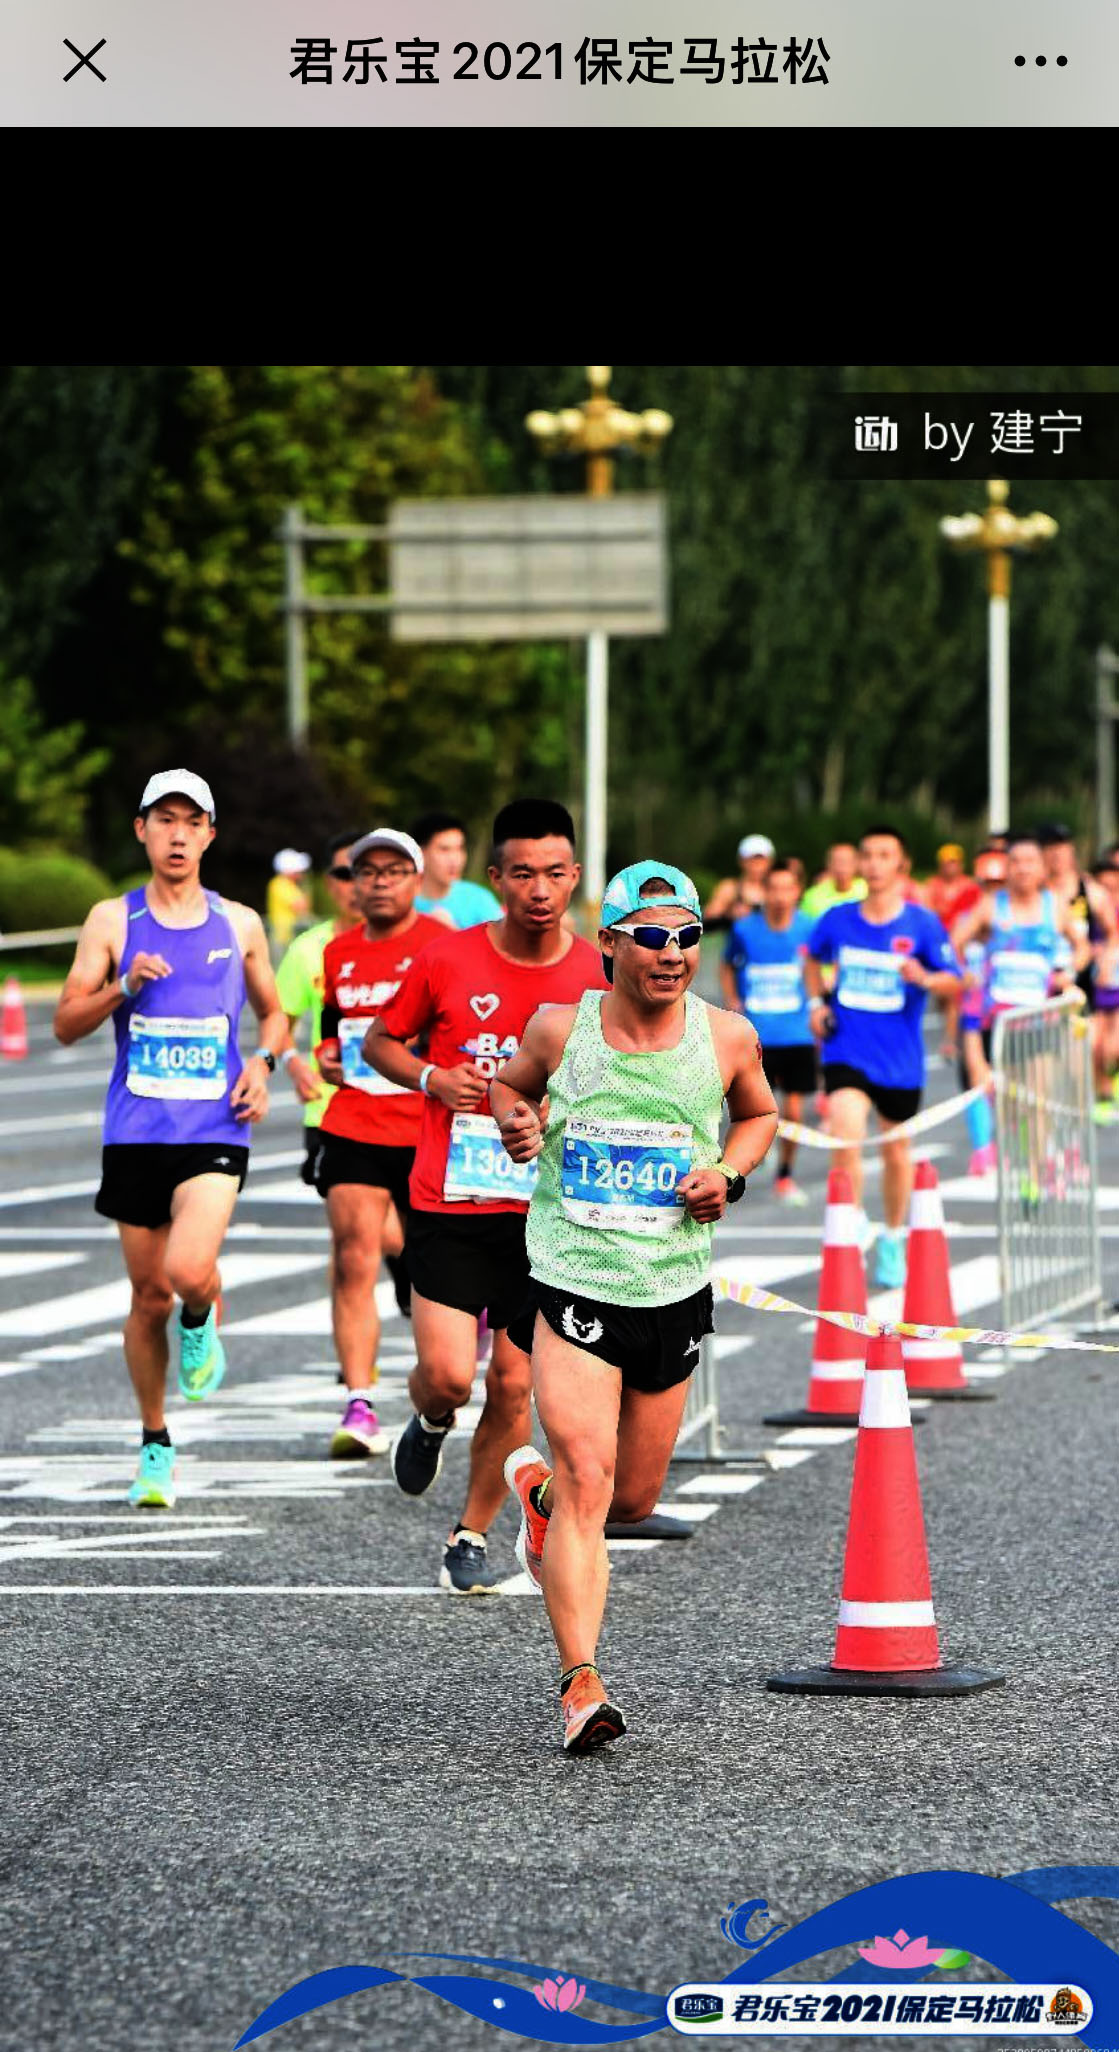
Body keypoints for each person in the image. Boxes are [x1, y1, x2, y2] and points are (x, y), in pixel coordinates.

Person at [490, 861, 778, 1753]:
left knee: (631, 1497)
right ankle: (580, 1684)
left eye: (688, 936)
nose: (672, 953)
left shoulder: (725, 1037)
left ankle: (535, 1500)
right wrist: (514, 1120)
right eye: (652, 936)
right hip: (573, 1277)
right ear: (608, 941)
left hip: (672, 1289)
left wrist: (726, 1173)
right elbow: (509, 1087)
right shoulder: (557, 1028)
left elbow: (759, 1116)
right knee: (589, 1475)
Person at [365, 799, 607, 1596]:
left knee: (511, 1385)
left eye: (555, 873)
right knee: (446, 1375)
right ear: (494, 878)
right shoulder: (446, 959)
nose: (540, 890)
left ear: (575, 876)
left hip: (546, 1218)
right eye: (523, 873)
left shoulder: (596, 978)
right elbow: (380, 1041)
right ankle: (431, 1419)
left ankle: (469, 1531)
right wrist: (434, 1078)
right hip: (449, 1201)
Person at [52, 770, 287, 1509]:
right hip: (135, 1130)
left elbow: (275, 1015)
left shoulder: (240, 923)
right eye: (165, 820)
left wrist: (264, 1061)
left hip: (215, 1126)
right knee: (146, 1295)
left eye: (193, 821)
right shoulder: (110, 921)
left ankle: (203, 1312)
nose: (178, 833)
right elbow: (63, 1023)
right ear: (141, 831)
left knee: (189, 1270)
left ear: (210, 834)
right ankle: (155, 1440)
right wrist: (122, 987)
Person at [313, 830, 446, 1457]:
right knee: (352, 1256)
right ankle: (359, 1403)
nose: (379, 881)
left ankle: (435, 1391)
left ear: (415, 880)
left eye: (394, 870)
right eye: (366, 871)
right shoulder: (338, 952)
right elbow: (331, 1026)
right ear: (352, 883)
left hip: (427, 1126)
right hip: (354, 1122)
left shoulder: (442, 945)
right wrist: (325, 1054)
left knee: (431, 1271)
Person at [806, 825, 961, 1289]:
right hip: (846, 1050)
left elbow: (956, 979)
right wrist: (816, 1004)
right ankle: (854, 1217)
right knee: (845, 1128)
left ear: (901, 865)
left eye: (883, 855)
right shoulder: (837, 919)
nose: (873, 863)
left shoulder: (922, 924)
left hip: (899, 1058)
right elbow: (812, 959)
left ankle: (893, 1237)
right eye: (867, 854)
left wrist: (926, 979)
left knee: (896, 1152)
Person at [953, 832, 1084, 1141]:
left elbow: (1082, 947)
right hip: (994, 1021)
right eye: (1015, 862)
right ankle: (1002, 1157)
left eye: (1030, 862)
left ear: (1042, 868)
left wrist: (1067, 972)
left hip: (1039, 1023)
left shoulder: (1056, 907)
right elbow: (955, 942)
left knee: (1036, 1102)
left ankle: (1032, 1181)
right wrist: (963, 973)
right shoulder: (989, 905)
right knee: (1006, 1103)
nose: (1023, 869)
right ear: (1006, 867)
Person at [719, 858, 816, 1202]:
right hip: (755, 1036)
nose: (779, 896)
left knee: (794, 1111)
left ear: (797, 892)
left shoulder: (809, 928)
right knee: (749, 1111)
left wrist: (819, 1001)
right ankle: (733, 1174)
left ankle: (786, 1173)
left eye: (786, 888)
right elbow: (727, 965)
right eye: (772, 888)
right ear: (764, 891)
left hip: (797, 1034)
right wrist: (734, 1000)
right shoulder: (745, 929)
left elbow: (818, 968)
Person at [275, 830, 362, 1191]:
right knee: (356, 1238)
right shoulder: (307, 949)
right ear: (329, 883)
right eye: (345, 874)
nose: (357, 885)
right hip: (329, 1110)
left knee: (395, 1240)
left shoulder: (424, 946)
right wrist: (293, 1064)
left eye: (368, 871)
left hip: (406, 1113)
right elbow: (276, 1021)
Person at [924, 845, 983, 1058]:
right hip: (937, 945)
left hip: (961, 946)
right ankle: (954, 1031)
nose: (951, 867)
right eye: (947, 862)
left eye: (954, 862)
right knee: (942, 997)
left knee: (954, 995)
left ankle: (951, 1039)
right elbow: (927, 913)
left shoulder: (969, 887)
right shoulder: (932, 886)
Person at [409, 810, 501, 930]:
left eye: (460, 849)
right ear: (420, 853)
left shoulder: (479, 899)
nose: (455, 860)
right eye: (444, 849)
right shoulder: (401, 900)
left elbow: (506, 945)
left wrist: (452, 932)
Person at [703, 835, 774, 930]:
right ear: (741, 861)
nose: (757, 865)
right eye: (752, 860)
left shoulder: (776, 889)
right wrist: (730, 916)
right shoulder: (729, 888)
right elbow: (708, 920)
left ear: (770, 862)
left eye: (761, 860)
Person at [800, 842, 867, 922]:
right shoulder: (812, 896)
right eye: (836, 861)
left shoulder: (869, 890)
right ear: (828, 864)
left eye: (846, 861)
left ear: (857, 863)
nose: (841, 866)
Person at [266, 848, 313, 954]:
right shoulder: (279, 884)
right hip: (282, 939)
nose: (301, 873)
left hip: (292, 937)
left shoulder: (291, 886)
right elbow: (300, 906)